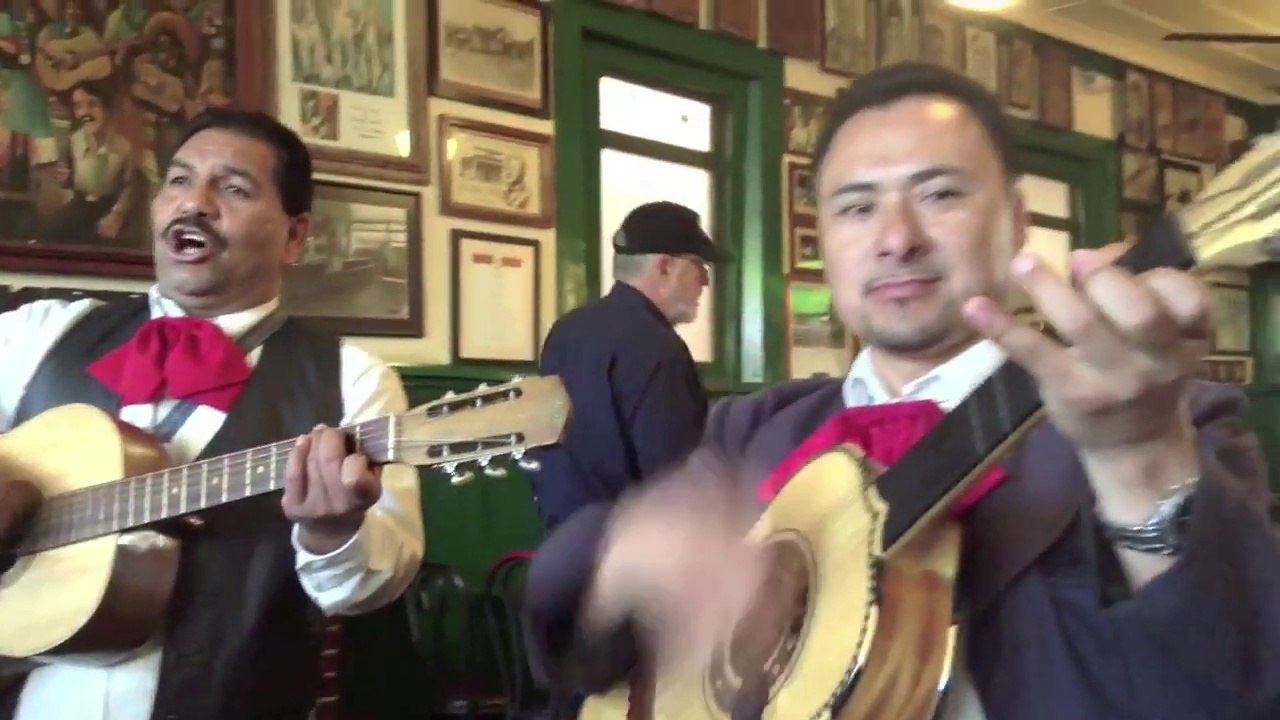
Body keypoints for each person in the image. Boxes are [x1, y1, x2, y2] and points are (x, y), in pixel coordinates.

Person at [522, 62, 1280, 720]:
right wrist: (626, 556)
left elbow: (1241, 686)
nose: (896, 237)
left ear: (1016, 224)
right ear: (824, 238)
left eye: (940, 194)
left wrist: (1139, 456)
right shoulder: (752, 429)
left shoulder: (1176, 420)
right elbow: (582, 642)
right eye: (857, 207)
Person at [0, 108, 424, 720]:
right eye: (178, 180)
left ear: (295, 237)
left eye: (232, 188)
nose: (193, 203)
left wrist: (333, 533)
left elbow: (368, 588)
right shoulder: (42, 333)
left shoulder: (351, 380)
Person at [527, 201, 729, 533]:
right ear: (665, 266)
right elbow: (672, 484)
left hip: (563, 550)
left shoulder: (565, 331)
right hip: (633, 562)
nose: (705, 280)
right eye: (699, 265)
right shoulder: (659, 349)